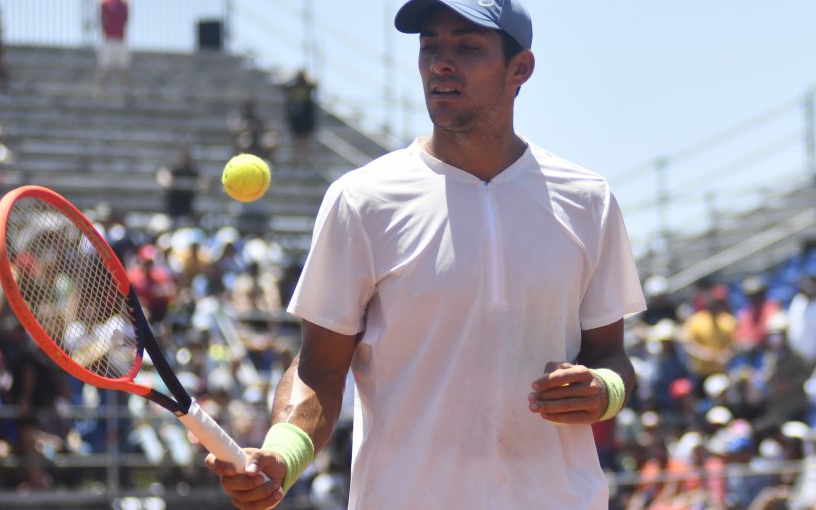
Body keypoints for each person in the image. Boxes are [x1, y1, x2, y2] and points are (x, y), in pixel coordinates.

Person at [206, 2, 647, 509]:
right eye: (429, 45)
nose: (440, 62)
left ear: (520, 68)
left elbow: (611, 355)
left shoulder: (589, 199)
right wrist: (283, 453)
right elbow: (320, 368)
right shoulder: (361, 199)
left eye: (466, 46)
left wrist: (603, 389)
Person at [93, 0, 132, 101]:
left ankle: (126, 91)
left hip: (120, 40)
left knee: (124, 68)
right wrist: (104, 32)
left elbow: (126, 19)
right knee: (103, 67)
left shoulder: (125, 5)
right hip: (109, 39)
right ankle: (99, 91)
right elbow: (101, 18)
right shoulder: (105, 4)